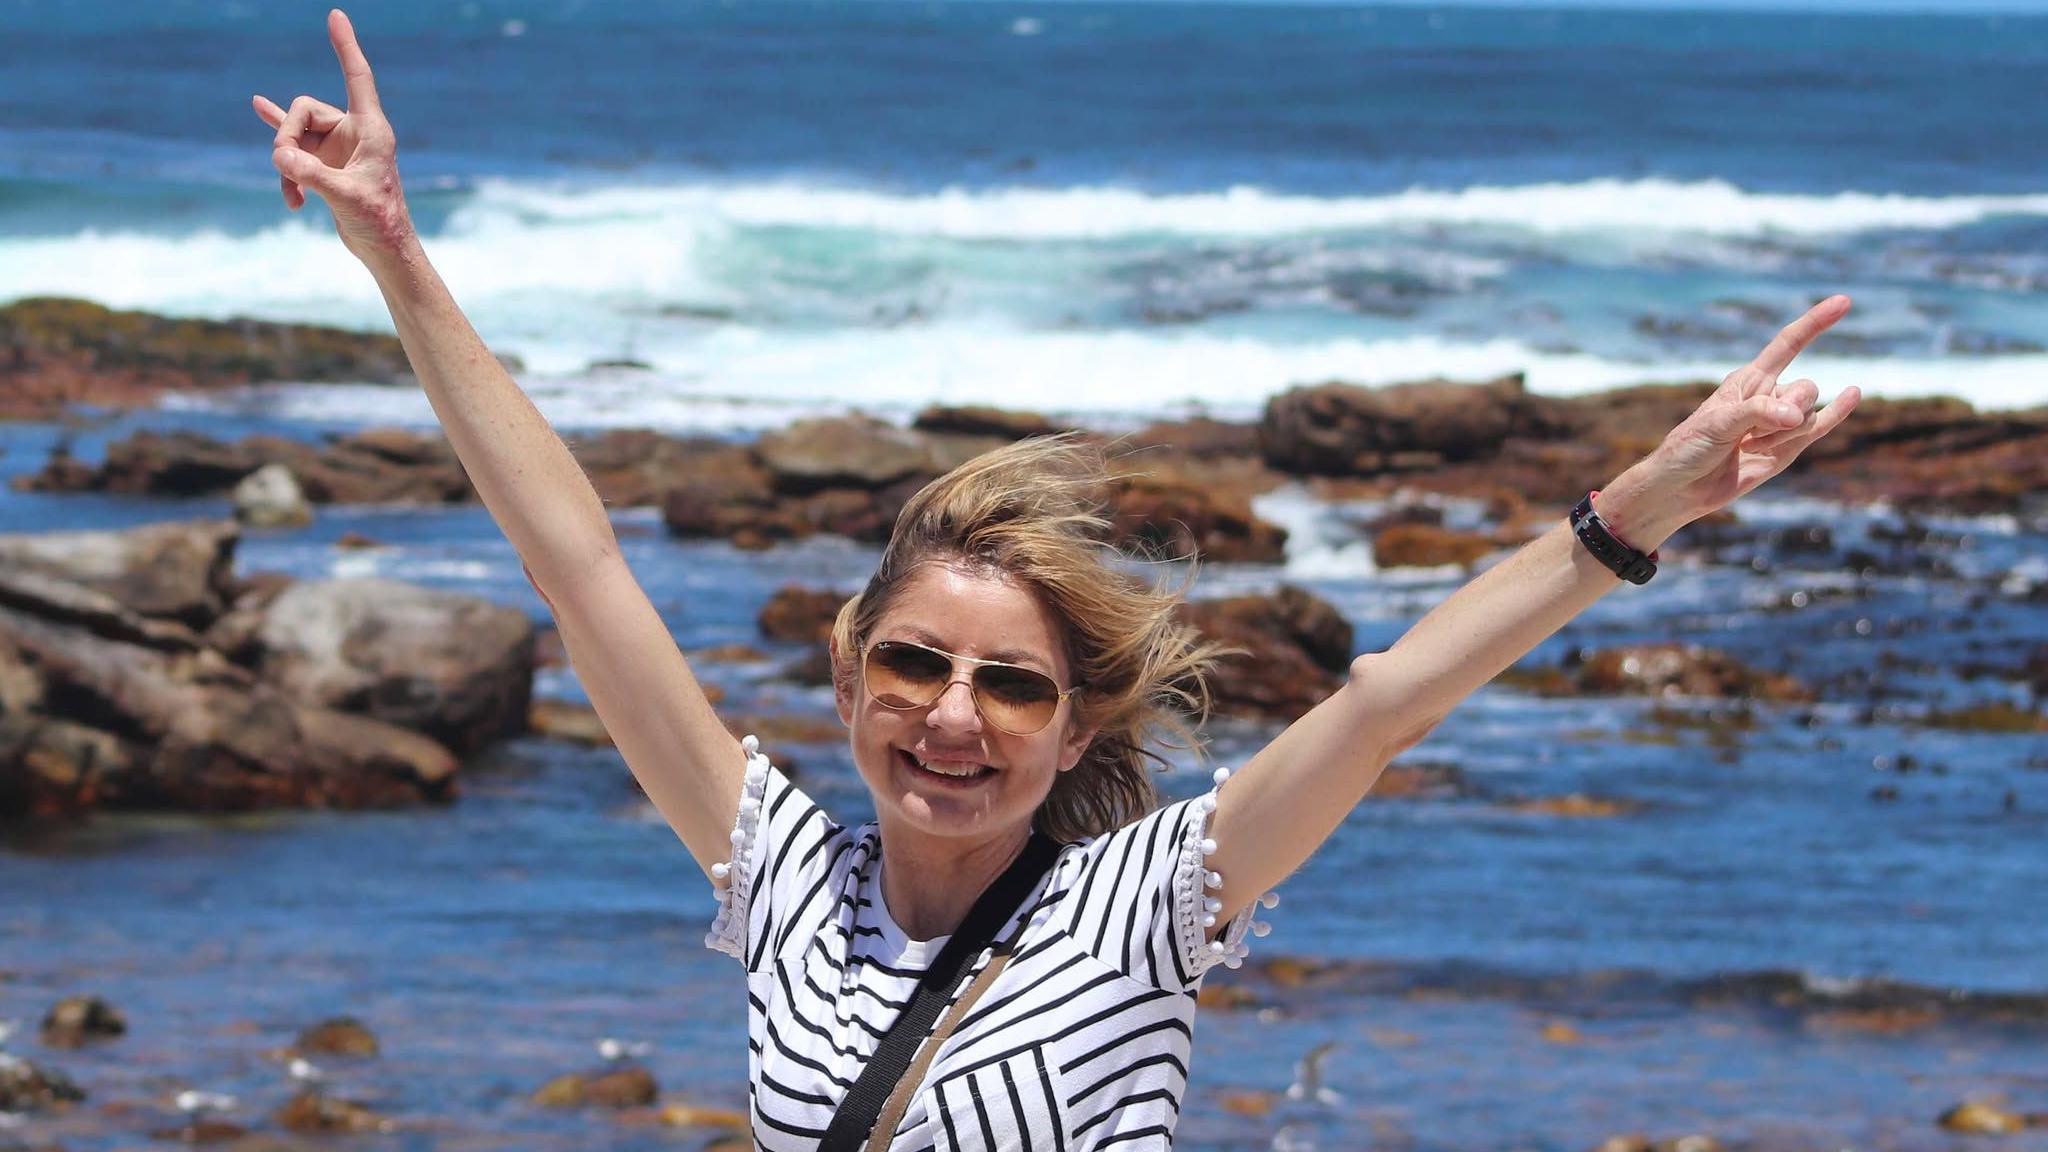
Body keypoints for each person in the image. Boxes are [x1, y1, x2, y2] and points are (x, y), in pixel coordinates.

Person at [253, 12, 1862, 1150]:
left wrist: (1641, 506)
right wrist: (396, 249)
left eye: (1011, 682)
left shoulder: (1142, 909)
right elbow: (579, 565)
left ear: (1077, 728)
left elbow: (1378, 704)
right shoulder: (784, 896)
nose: (953, 715)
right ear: (852, 681)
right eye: (915, 667)